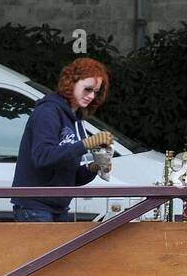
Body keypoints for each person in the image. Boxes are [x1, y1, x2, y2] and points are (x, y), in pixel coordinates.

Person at [11, 57, 114, 223]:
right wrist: (86, 144)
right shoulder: (47, 111)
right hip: (35, 206)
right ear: (71, 82)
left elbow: (71, 177)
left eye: (96, 92)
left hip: (57, 207)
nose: (91, 96)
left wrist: (94, 167)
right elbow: (42, 157)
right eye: (88, 89)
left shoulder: (76, 119)